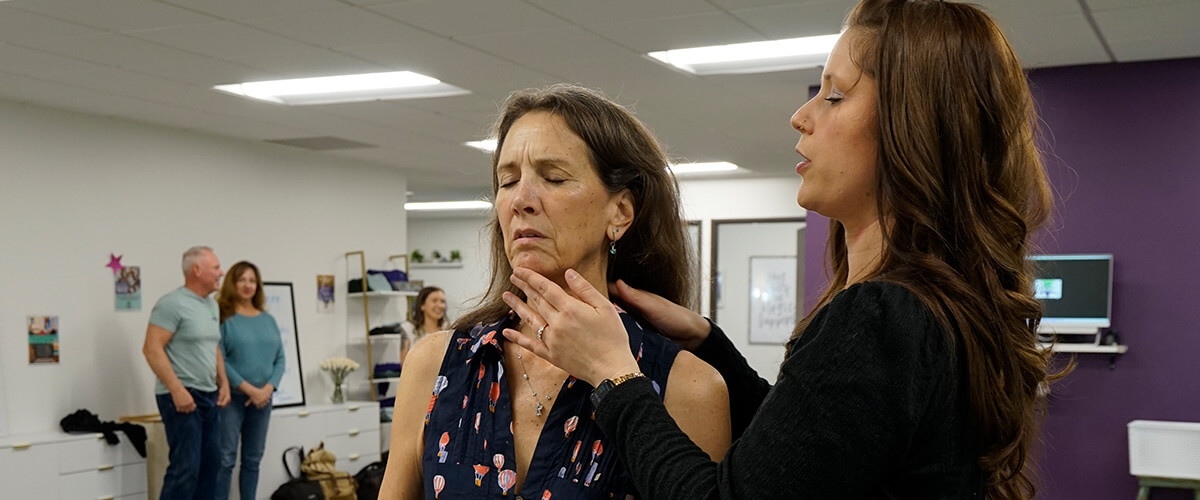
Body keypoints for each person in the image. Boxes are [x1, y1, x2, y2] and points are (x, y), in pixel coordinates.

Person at [502, 1, 1064, 499]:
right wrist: (708, 341)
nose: (802, 115)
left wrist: (614, 375)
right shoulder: (921, 308)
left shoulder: (883, 317)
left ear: (912, 127)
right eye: (506, 181)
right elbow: (807, 452)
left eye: (835, 94)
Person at [379, 84, 731, 499]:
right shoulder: (434, 365)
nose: (521, 200)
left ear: (619, 212)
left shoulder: (688, 387)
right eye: (508, 181)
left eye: (554, 178)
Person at [142, 245, 231, 499]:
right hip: (181, 397)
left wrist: (223, 382)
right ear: (197, 270)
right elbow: (151, 349)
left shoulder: (211, 306)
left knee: (210, 466)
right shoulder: (172, 304)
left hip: (208, 394)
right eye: (216, 268)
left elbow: (213, 346)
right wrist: (177, 390)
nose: (221, 272)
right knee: (186, 469)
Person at [214, 261, 286, 500]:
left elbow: (280, 359)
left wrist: (266, 389)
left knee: (253, 460)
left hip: (263, 400)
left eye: (252, 280)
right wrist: (248, 389)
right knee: (225, 459)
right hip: (232, 398)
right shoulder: (223, 318)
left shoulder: (267, 320)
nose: (247, 285)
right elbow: (220, 359)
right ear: (232, 283)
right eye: (242, 280)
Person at [399, 286, 449, 364]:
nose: (440, 305)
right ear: (422, 305)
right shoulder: (408, 329)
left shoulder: (448, 329)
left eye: (442, 301)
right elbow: (404, 364)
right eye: (434, 301)